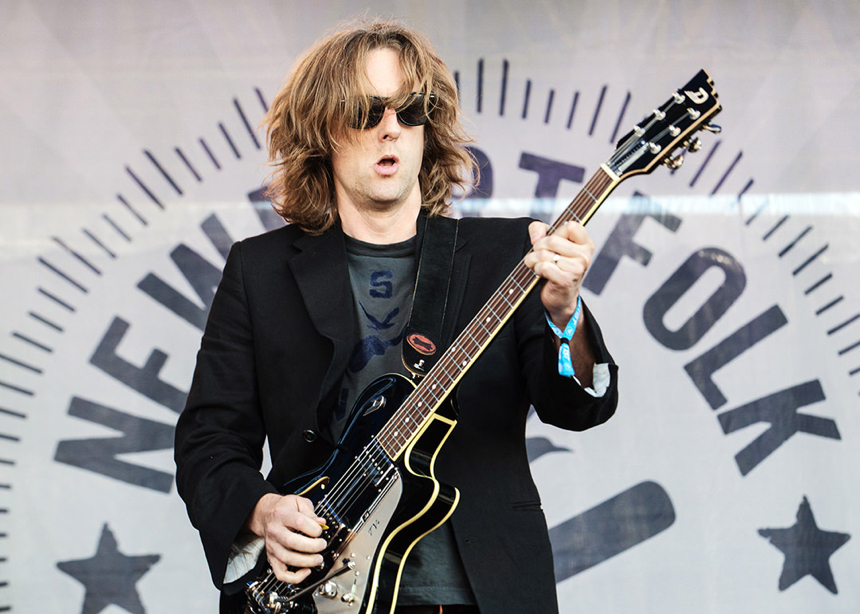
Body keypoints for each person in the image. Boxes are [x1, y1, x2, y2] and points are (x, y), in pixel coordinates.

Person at [174, 18, 618, 614]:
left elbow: (581, 406)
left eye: (412, 110)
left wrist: (566, 314)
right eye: (366, 110)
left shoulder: (507, 257)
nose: (391, 128)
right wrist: (263, 512)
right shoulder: (260, 270)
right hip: (310, 593)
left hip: (478, 593)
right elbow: (209, 441)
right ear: (321, 127)